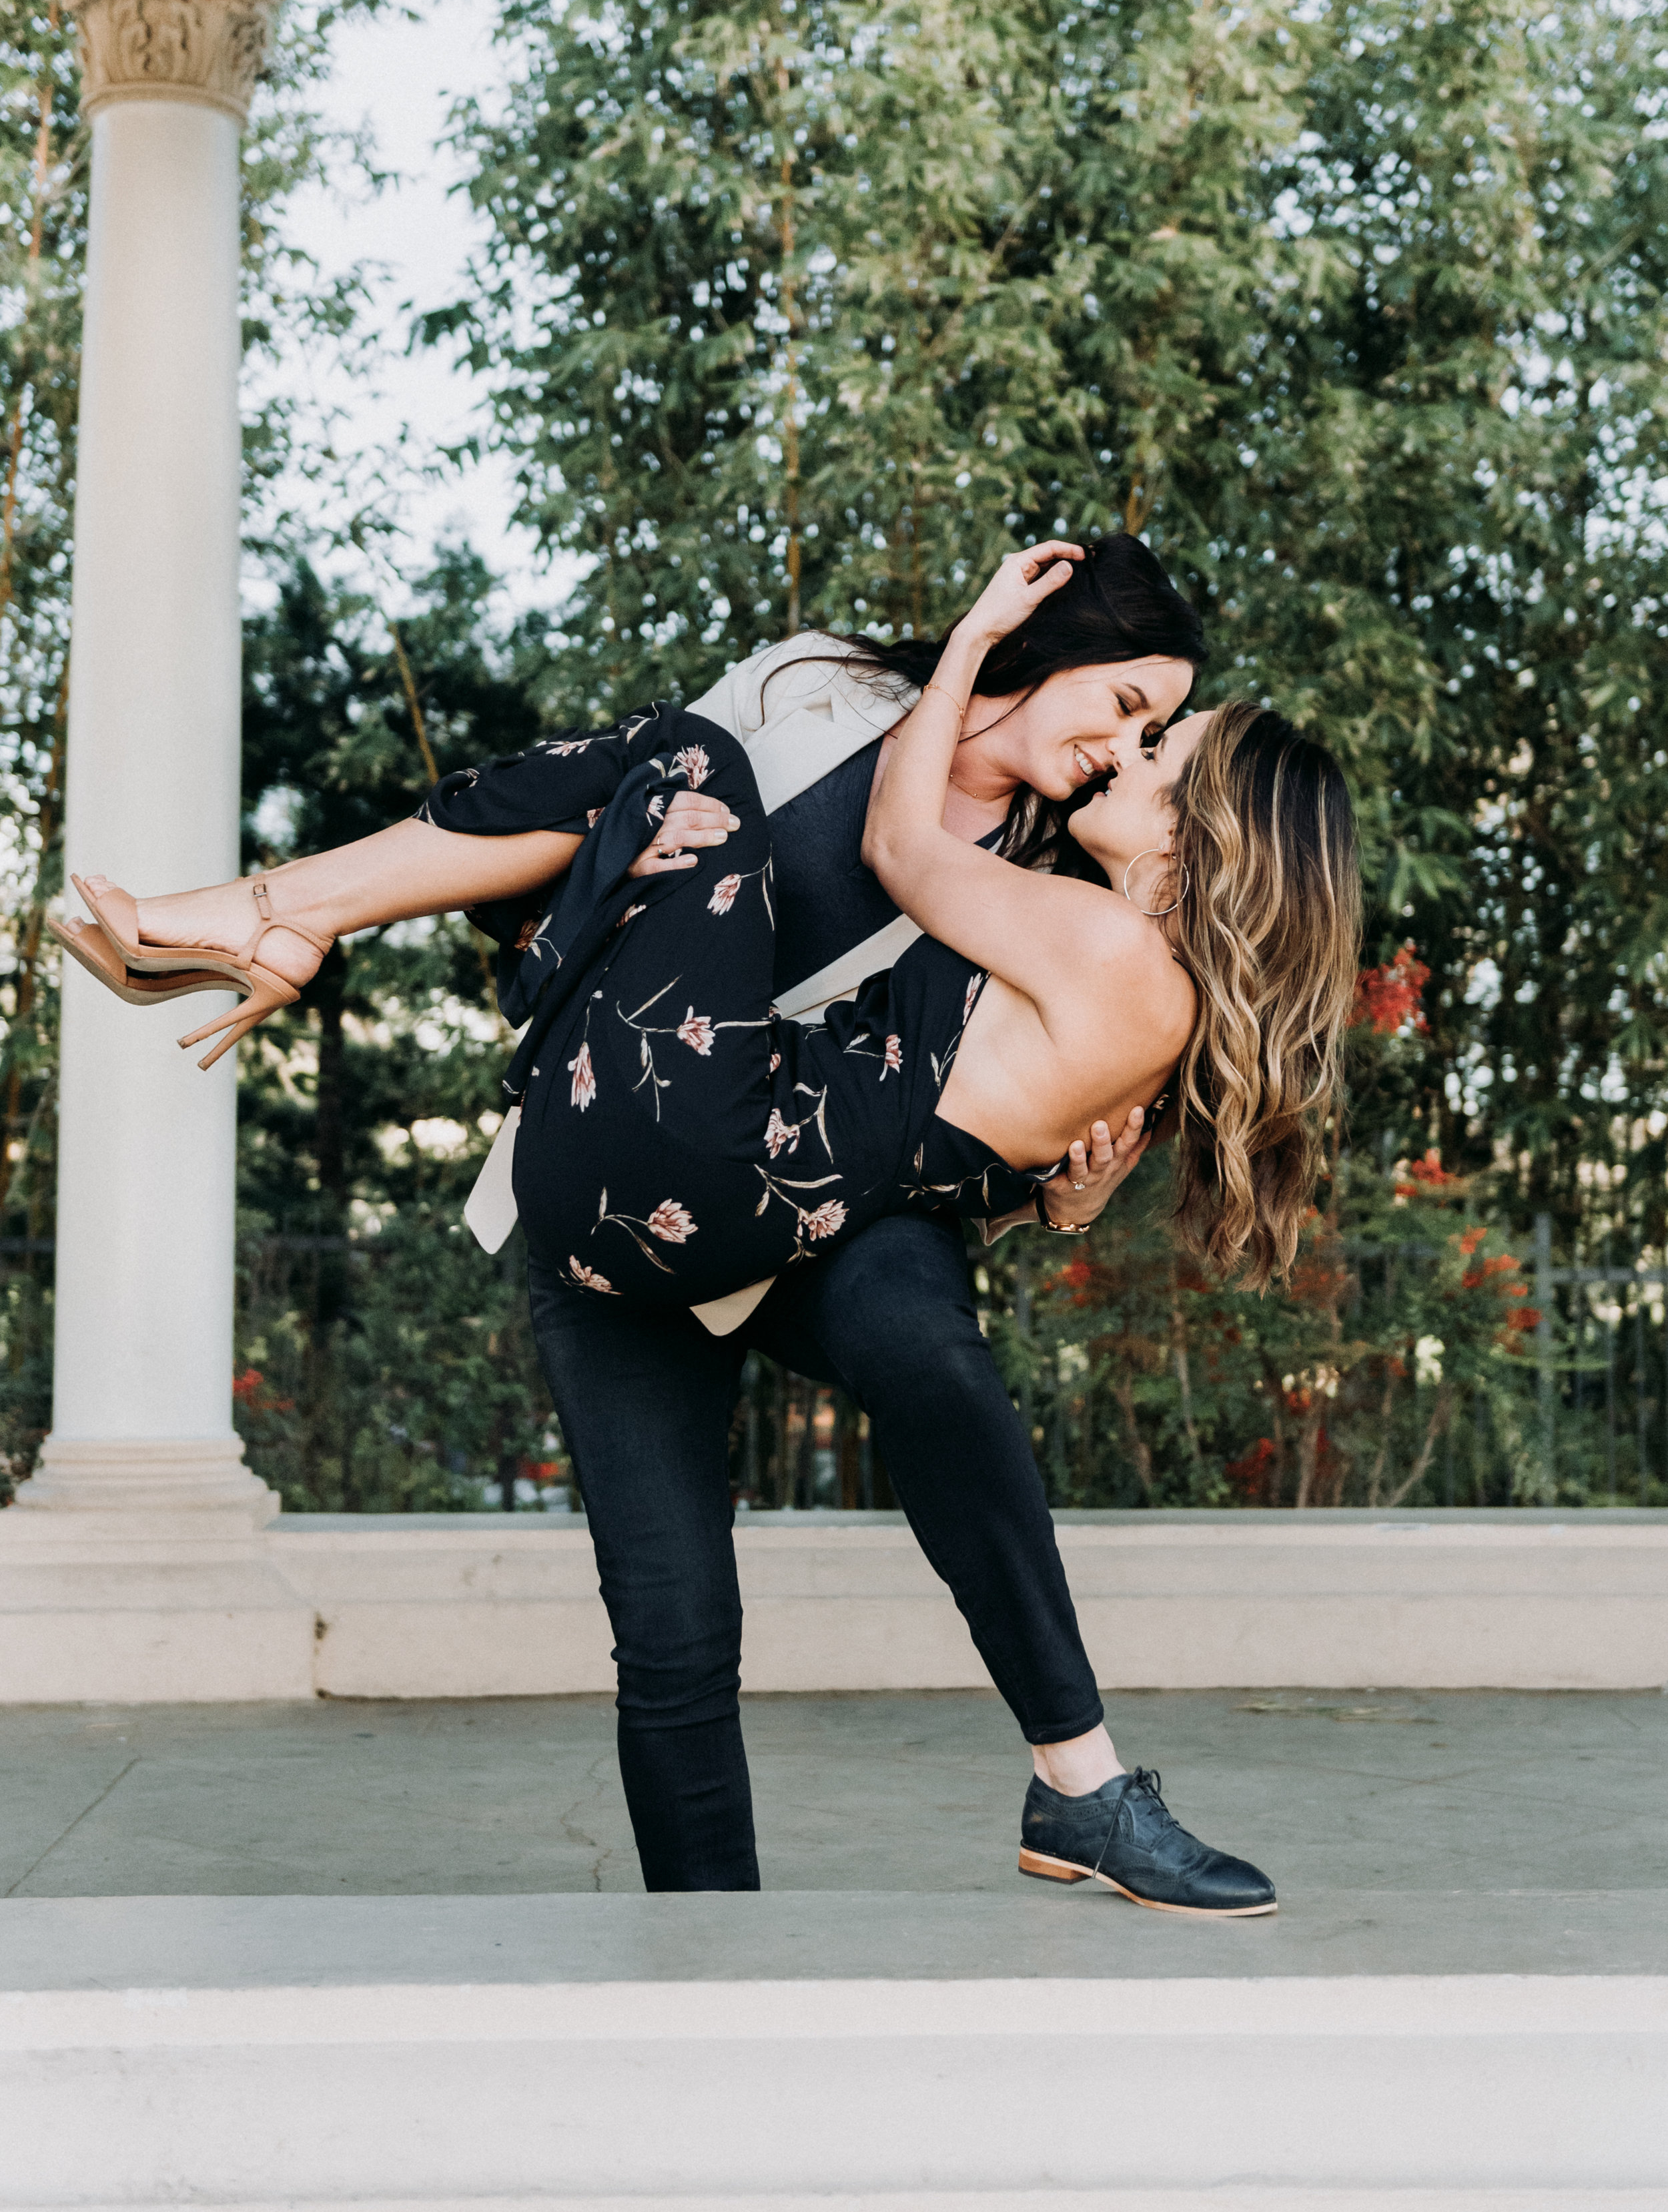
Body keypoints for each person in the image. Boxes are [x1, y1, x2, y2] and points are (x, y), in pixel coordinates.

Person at [56, 537, 1358, 1915]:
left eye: (1156, 746)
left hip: (717, 1168)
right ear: (1055, 657)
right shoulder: (818, 704)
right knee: (672, 1636)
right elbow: (544, 863)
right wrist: (630, 858)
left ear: (1191, 834)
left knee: (685, 768)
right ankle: (717, 1945)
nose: (1122, 749)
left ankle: (272, 914)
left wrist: (1063, 1191)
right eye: (1127, 710)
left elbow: (907, 875)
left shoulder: (1069, 899)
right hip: (649, 1153)